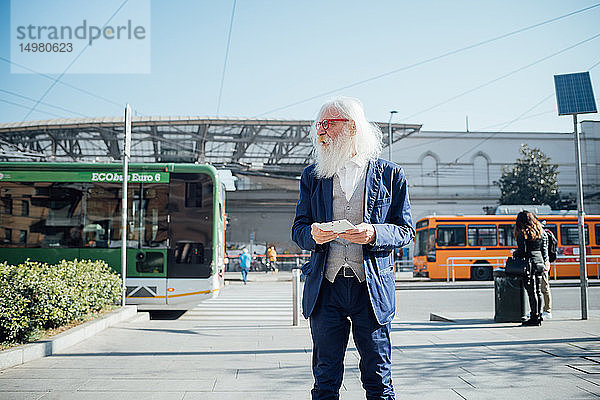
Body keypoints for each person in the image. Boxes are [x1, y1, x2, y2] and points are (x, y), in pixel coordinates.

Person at [291, 97, 414, 399]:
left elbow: (405, 230)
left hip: (370, 290)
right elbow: (298, 230)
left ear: (352, 127)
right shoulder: (312, 176)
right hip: (326, 288)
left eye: (328, 124)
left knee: (377, 378)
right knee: (325, 377)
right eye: (319, 125)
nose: (321, 132)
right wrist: (313, 234)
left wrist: (373, 232)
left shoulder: (390, 175)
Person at [513, 211, 548, 326]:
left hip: (530, 264)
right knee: (538, 291)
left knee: (531, 292)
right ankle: (538, 316)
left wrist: (515, 253)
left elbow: (522, 252)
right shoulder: (540, 231)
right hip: (540, 263)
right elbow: (542, 249)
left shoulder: (522, 233)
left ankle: (534, 317)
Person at [540, 222, 553, 319]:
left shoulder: (542, 235)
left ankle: (547, 310)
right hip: (544, 262)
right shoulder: (543, 234)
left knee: (544, 287)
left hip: (543, 263)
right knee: (542, 287)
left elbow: (542, 251)